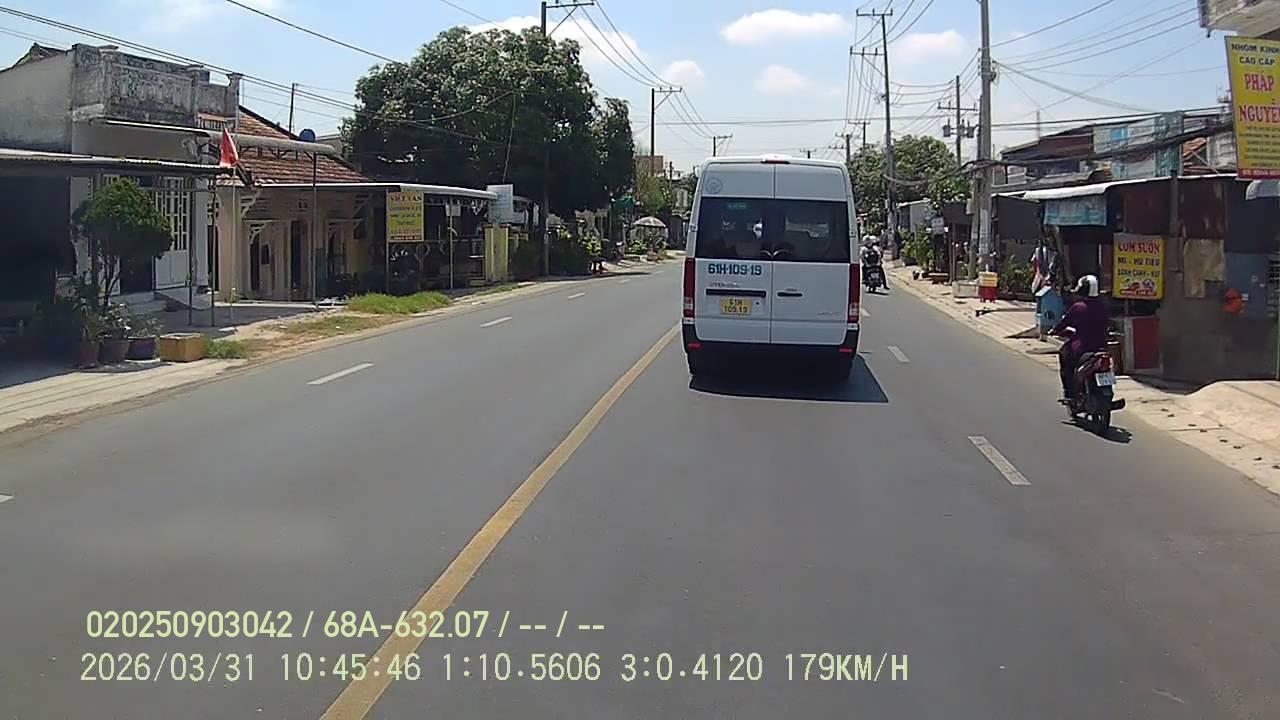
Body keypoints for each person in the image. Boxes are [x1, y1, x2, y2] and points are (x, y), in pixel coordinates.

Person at [1052, 274, 1109, 401]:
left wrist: (1055, 330)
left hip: (1082, 348)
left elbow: (1064, 323)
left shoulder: (1078, 307)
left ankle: (1069, 392)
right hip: (1102, 347)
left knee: (1064, 356)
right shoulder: (1103, 307)